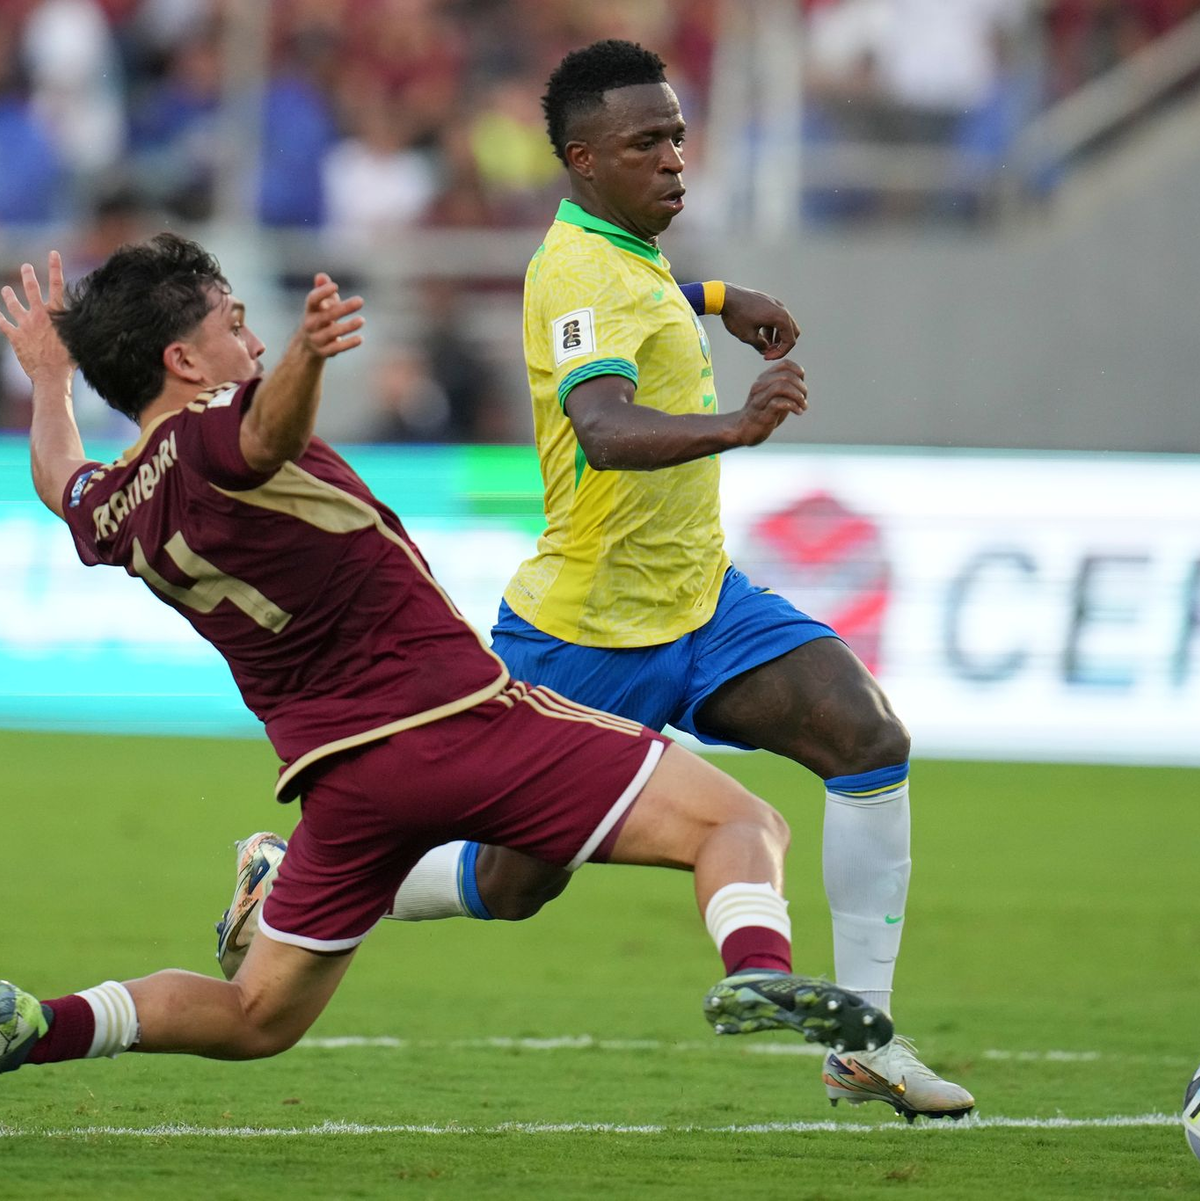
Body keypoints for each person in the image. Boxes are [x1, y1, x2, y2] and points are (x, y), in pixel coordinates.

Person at [223, 39, 973, 1123]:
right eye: (646, 143)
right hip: (583, 634)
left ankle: (865, 1038)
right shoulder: (572, 269)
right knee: (514, 886)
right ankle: (286, 880)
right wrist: (738, 422)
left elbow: (640, 291)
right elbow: (605, 427)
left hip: (703, 602)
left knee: (867, 739)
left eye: (677, 134)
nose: (675, 158)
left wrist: (719, 294)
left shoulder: (617, 251)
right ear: (583, 159)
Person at [0, 234, 891, 1080]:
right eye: (233, 324)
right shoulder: (218, 431)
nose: (255, 339)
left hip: (341, 779)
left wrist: (49, 377)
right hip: (461, 722)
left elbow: (55, 476)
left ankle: (40, 1022)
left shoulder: (112, 504)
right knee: (740, 825)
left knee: (256, 1015)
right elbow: (263, 436)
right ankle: (758, 966)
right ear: (183, 363)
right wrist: (310, 356)